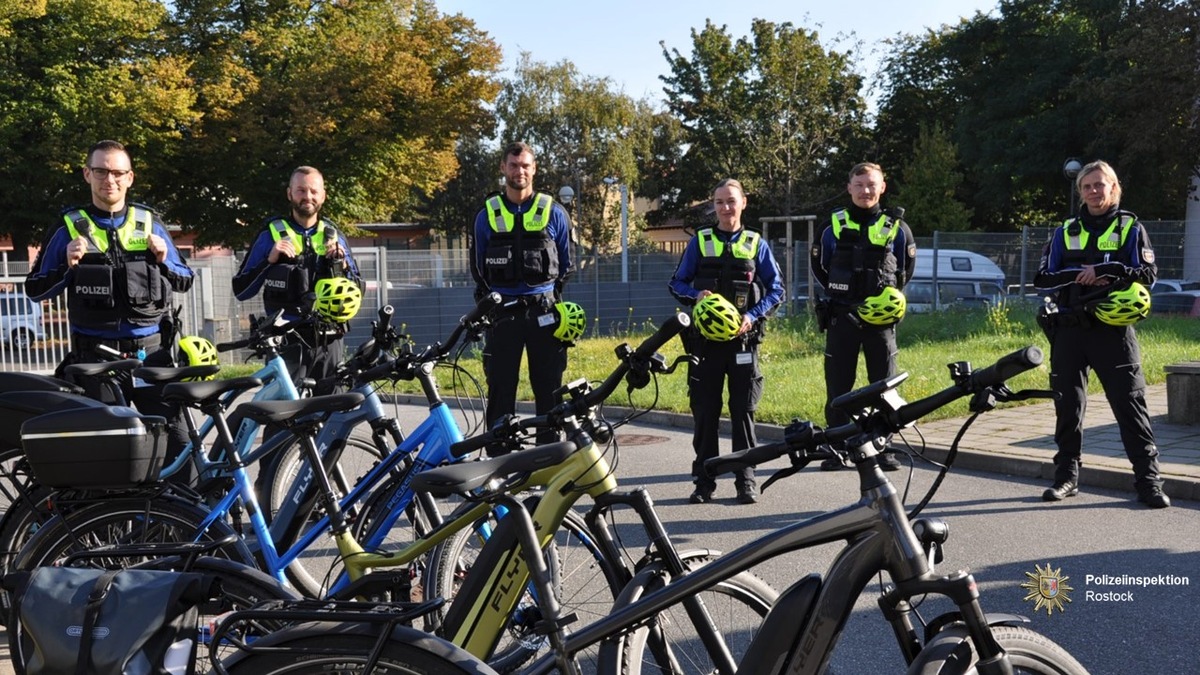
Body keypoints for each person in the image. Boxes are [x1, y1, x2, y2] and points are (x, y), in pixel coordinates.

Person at [25, 139, 195, 480]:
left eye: (117, 172)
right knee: (105, 455)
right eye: (101, 171)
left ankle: (175, 526)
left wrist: (163, 260)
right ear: (88, 174)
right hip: (95, 361)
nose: (110, 180)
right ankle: (108, 527)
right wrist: (67, 267)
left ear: (130, 177)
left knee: (179, 447)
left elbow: (185, 281)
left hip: (152, 358)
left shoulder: (150, 223)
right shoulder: (68, 227)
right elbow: (35, 290)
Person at [1033, 160, 1169, 509]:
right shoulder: (1066, 230)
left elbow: (1148, 274)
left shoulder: (1130, 227)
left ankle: (1149, 482)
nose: (1094, 191)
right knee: (1068, 407)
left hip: (1114, 332)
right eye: (1087, 186)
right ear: (1080, 192)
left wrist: (1107, 270)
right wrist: (1083, 274)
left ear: (1114, 188)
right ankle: (1066, 478)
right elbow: (1043, 279)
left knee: (1131, 406)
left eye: (1100, 185)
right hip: (1069, 329)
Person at [669, 178, 784, 505]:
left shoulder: (756, 244)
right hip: (704, 345)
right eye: (719, 202)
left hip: (743, 343)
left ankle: (745, 480)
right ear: (713, 205)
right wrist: (695, 294)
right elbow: (676, 283)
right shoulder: (700, 242)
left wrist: (753, 316)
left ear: (743, 203)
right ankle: (704, 482)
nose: (725, 208)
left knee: (742, 411)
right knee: (705, 412)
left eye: (731, 201)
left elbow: (777, 290)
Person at [810, 162, 916, 472]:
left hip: (880, 321)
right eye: (859, 185)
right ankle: (838, 448)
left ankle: (884, 447)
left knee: (884, 384)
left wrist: (882, 301)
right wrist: (846, 299)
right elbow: (820, 268)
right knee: (839, 386)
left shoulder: (898, 227)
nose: (865, 190)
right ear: (849, 188)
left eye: (872, 184)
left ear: (882, 187)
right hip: (841, 317)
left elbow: (904, 273)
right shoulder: (831, 226)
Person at [469, 142, 574, 446]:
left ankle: (548, 460)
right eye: (514, 165)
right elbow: (478, 267)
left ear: (534, 169)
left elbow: (567, 264)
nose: (520, 171)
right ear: (503, 168)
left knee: (549, 389)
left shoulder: (554, 211)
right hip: (503, 316)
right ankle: (500, 460)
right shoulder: (486, 214)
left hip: (544, 313)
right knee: (501, 389)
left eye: (526, 165)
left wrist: (550, 298)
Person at [233, 166, 362, 397]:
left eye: (313, 191)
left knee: (331, 418)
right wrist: (269, 260)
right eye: (301, 190)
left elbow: (358, 289)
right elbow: (241, 290)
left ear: (323, 195)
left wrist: (343, 266)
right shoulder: (270, 235)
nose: (308, 197)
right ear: (290, 194)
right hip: (286, 343)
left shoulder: (334, 236)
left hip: (329, 342)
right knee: (283, 419)